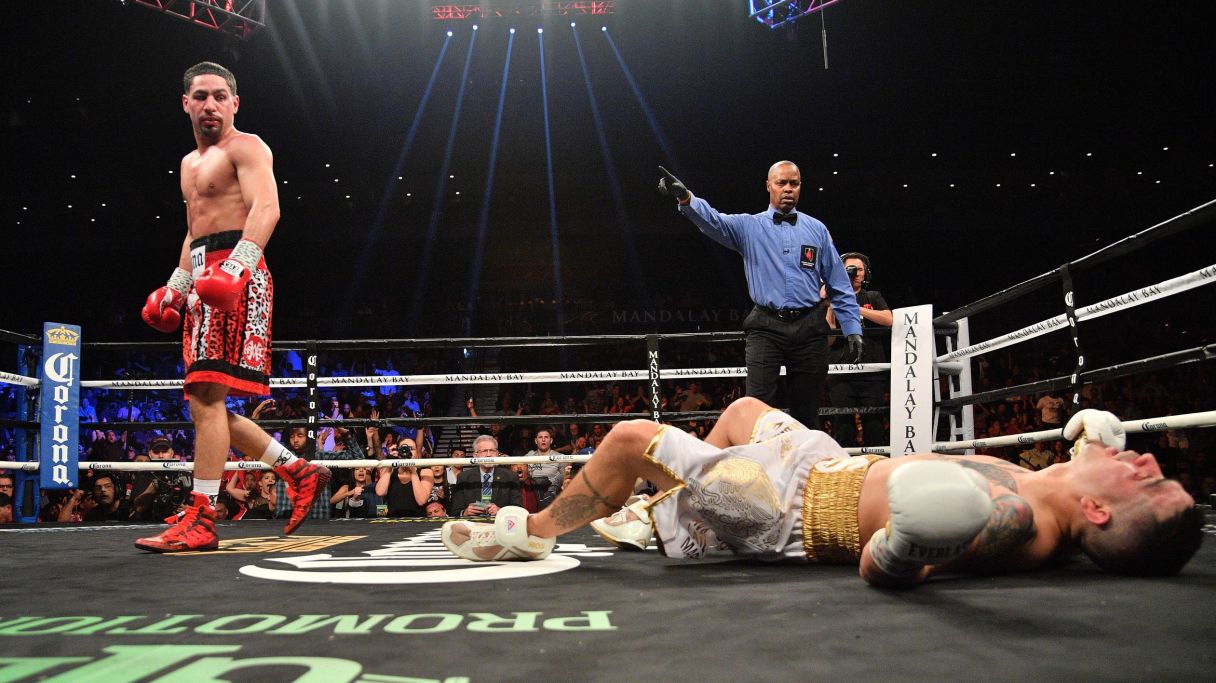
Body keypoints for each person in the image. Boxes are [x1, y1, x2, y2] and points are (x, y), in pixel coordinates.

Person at [441, 399, 1202, 587]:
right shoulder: (1069, 481)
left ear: (1098, 511)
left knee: (631, 439)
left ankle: (536, 527)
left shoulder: (1013, 516)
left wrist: (903, 546)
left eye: (1149, 480)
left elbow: (890, 563)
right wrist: (1093, 441)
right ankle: (670, 512)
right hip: (828, 462)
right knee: (741, 413)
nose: (1144, 460)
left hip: (788, 508)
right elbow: (1096, 462)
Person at [136, 62, 329, 552]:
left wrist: (238, 269)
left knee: (204, 397)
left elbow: (267, 207)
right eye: (200, 96)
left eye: (220, 96)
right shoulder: (188, 164)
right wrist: (175, 289)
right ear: (186, 103)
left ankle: (202, 517)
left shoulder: (248, 146)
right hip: (205, 274)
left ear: (235, 103)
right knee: (208, 401)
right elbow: (193, 232)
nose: (210, 105)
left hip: (236, 272)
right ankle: (297, 469)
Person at [658, 163, 863, 428]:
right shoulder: (749, 226)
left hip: (810, 328)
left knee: (808, 411)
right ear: (768, 185)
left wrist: (852, 327)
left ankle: (801, 469)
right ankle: (758, 468)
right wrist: (686, 198)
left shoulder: (817, 230)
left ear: (800, 186)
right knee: (756, 409)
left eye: (794, 183)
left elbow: (838, 283)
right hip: (766, 328)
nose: (788, 188)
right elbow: (713, 221)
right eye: (781, 183)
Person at [826, 252, 893, 448]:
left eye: (859, 269)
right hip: (840, 373)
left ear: (866, 274)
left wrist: (854, 308)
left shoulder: (872, 296)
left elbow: (889, 319)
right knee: (843, 427)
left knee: (874, 427)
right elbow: (829, 341)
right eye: (850, 269)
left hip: (871, 372)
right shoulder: (831, 298)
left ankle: (877, 471)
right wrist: (832, 305)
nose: (855, 273)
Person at [449, 435, 522, 517]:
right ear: (475, 455)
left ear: (497, 454)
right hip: (472, 525)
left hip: (499, 524)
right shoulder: (463, 477)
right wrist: (464, 513)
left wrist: (501, 511)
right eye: (484, 451)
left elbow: (518, 509)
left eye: (492, 451)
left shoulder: (510, 477)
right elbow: (455, 511)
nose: (488, 455)